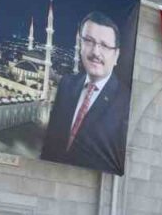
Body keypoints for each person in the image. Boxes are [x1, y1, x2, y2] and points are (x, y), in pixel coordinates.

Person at [40, 11, 131, 172]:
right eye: (89, 41)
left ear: (116, 55)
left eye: (104, 45)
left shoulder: (125, 102)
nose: (96, 52)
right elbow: (51, 141)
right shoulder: (67, 84)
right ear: (80, 45)